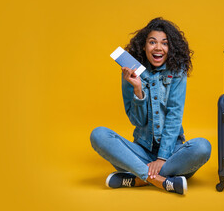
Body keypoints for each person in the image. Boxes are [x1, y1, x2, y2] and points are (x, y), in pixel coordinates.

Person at [90, 17, 211, 195]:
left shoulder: (177, 72)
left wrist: (162, 158)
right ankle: (161, 181)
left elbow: (174, 115)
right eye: (152, 42)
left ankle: (137, 178)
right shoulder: (130, 73)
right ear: (144, 46)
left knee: (203, 147)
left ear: (171, 48)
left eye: (164, 43)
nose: (158, 48)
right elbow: (136, 120)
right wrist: (138, 89)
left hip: (172, 156)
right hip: (140, 152)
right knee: (98, 134)